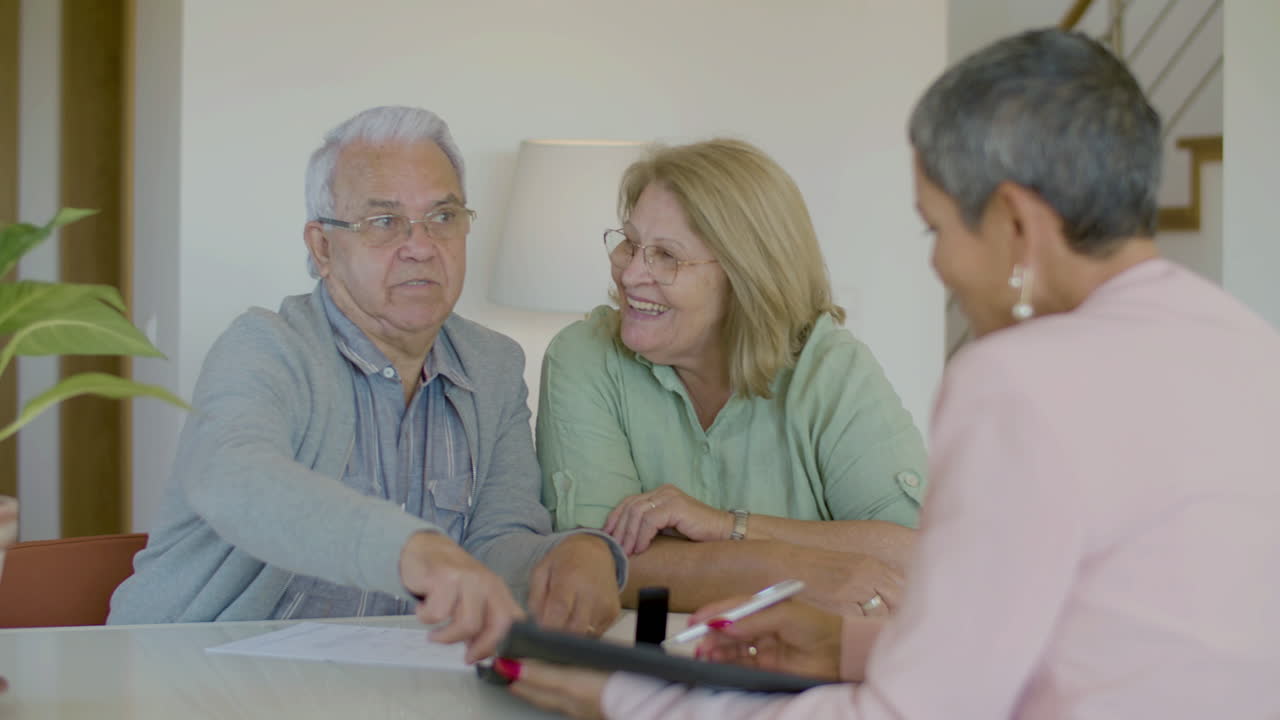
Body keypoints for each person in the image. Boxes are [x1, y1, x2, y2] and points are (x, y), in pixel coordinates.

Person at [503, 29, 1280, 718]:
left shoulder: (1015, 379)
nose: (938, 265)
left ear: (1015, 223)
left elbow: (918, 709)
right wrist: (844, 647)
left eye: (936, 227)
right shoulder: (1251, 349)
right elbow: (1065, 633)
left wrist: (628, 698)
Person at [109, 106, 626, 662]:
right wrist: (413, 550)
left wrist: (574, 553)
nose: (422, 245)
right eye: (384, 222)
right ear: (323, 248)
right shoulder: (266, 346)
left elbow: (496, 544)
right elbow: (234, 480)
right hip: (196, 678)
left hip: (388, 687)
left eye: (444, 216)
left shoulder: (492, 365)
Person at [536, 138, 927, 612]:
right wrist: (798, 571)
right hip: (645, 670)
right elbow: (600, 565)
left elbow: (925, 561)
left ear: (746, 277)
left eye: (666, 256)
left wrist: (727, 526)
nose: (631, 274)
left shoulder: (830, 369)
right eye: (630, 243)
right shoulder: (585, 356)